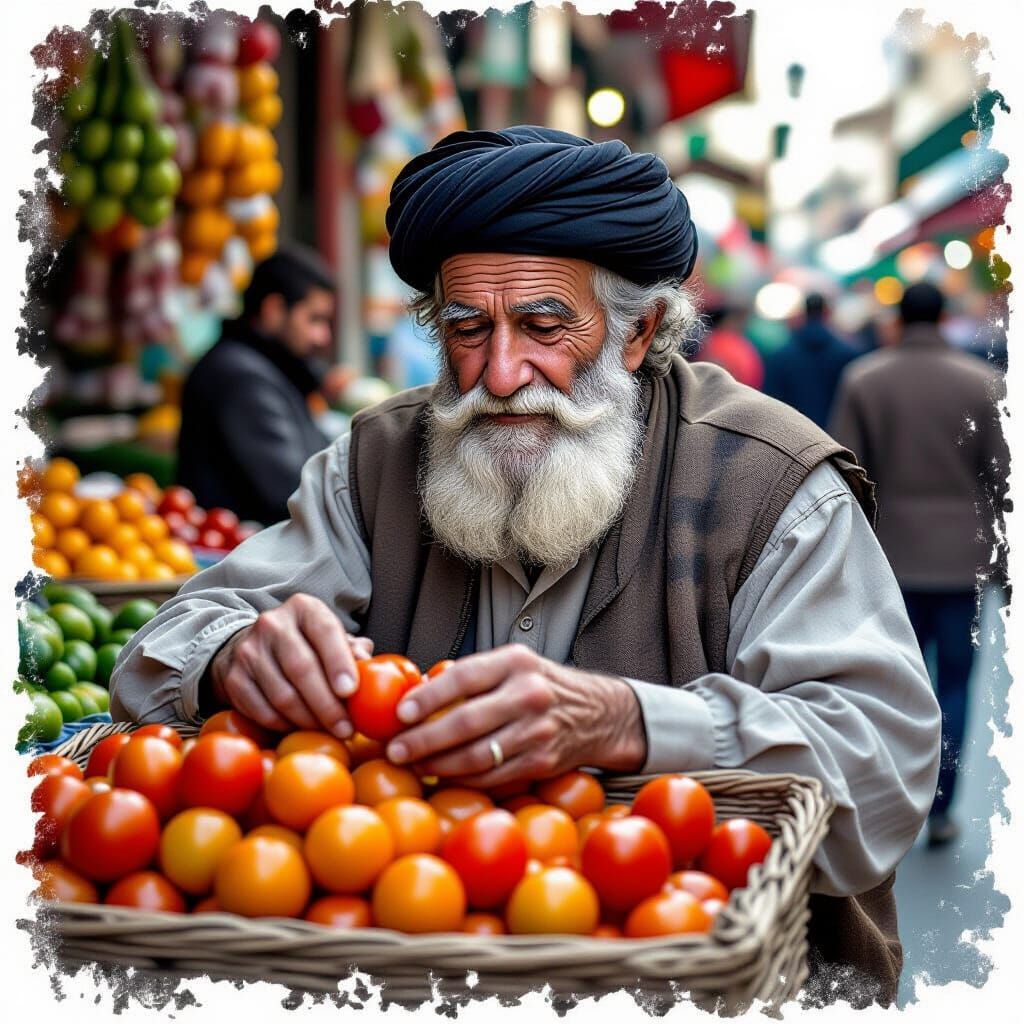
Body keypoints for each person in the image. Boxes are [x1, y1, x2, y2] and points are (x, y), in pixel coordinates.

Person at [112, 127, 940, 1007]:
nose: (500, 375)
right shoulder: (378, 460)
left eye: (544, 325)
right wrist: (237, 656)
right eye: (468, 330)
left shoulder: (773, 481)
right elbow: (155, 655)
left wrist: (626, 722)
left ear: (639, 332)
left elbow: (882, 763)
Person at [830, 281, 1008, 848]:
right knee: (955, 683)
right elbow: (1004, 482)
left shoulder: (865, 380)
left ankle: (893, 806)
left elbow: (845, 475)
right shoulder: (984, 384)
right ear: (944, 316)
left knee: (892, 688)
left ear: (899, 318)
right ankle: (943, 807)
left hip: (890, 561)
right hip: (963, 561)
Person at [177, 246, 336, 525]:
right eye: (314, 319)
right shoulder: (242, 377)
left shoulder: (266, 367)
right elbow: (293, 492)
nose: (323, 336)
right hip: (242, 556)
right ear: (274, 309)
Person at [763, 292, 861, 428]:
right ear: (827, 312)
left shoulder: (780, 356)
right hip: (836, 435)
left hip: (795, 435)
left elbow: (771, 400)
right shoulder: (848, 354)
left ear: (804, 314)